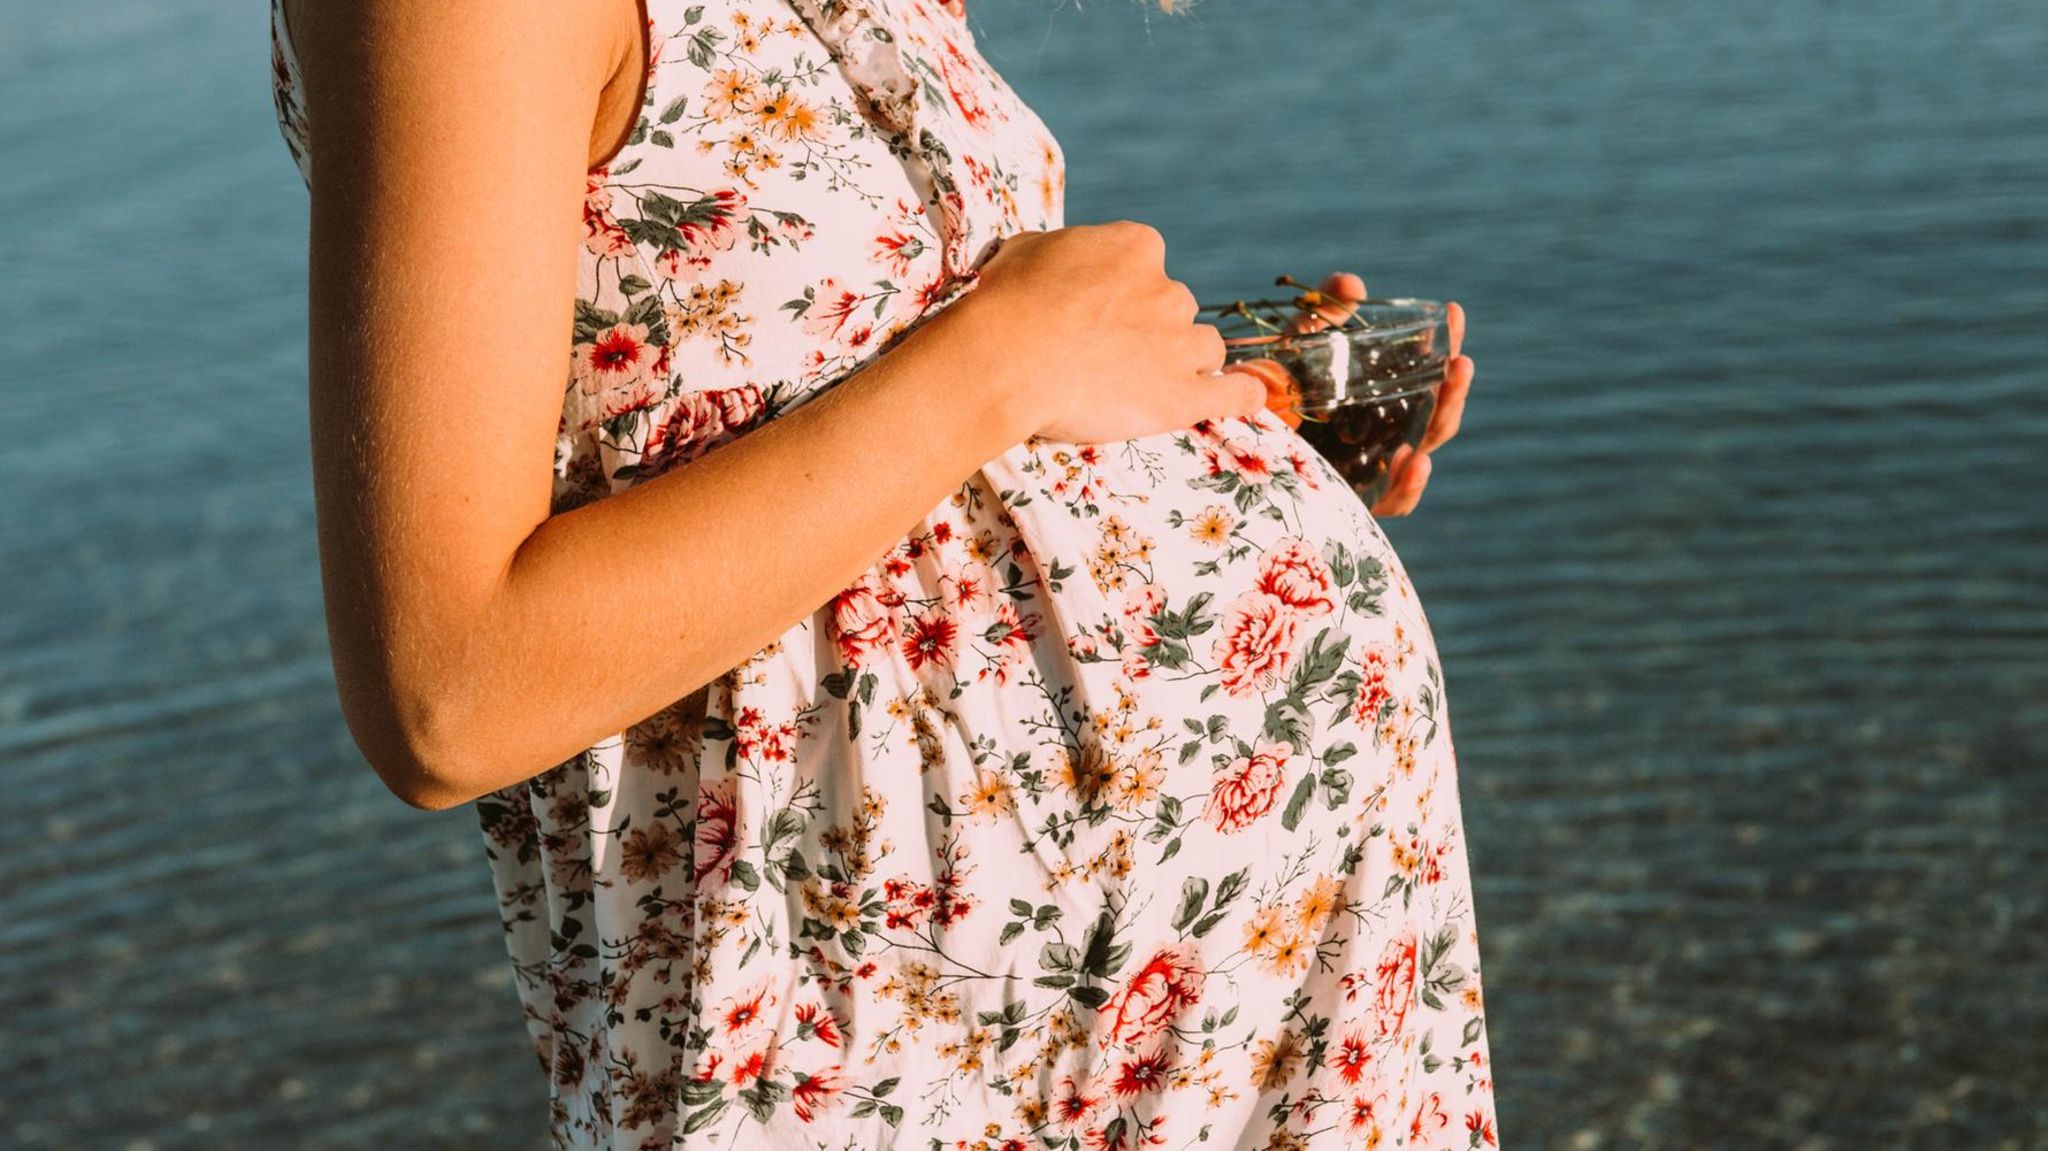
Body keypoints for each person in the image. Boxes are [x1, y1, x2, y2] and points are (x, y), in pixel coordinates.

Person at [268, 0, 1497, 1146]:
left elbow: (838, 412)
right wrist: (1005, 357)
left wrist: (1194, 430)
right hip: (905, 1057)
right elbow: (449, 692)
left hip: (1223, 1014)